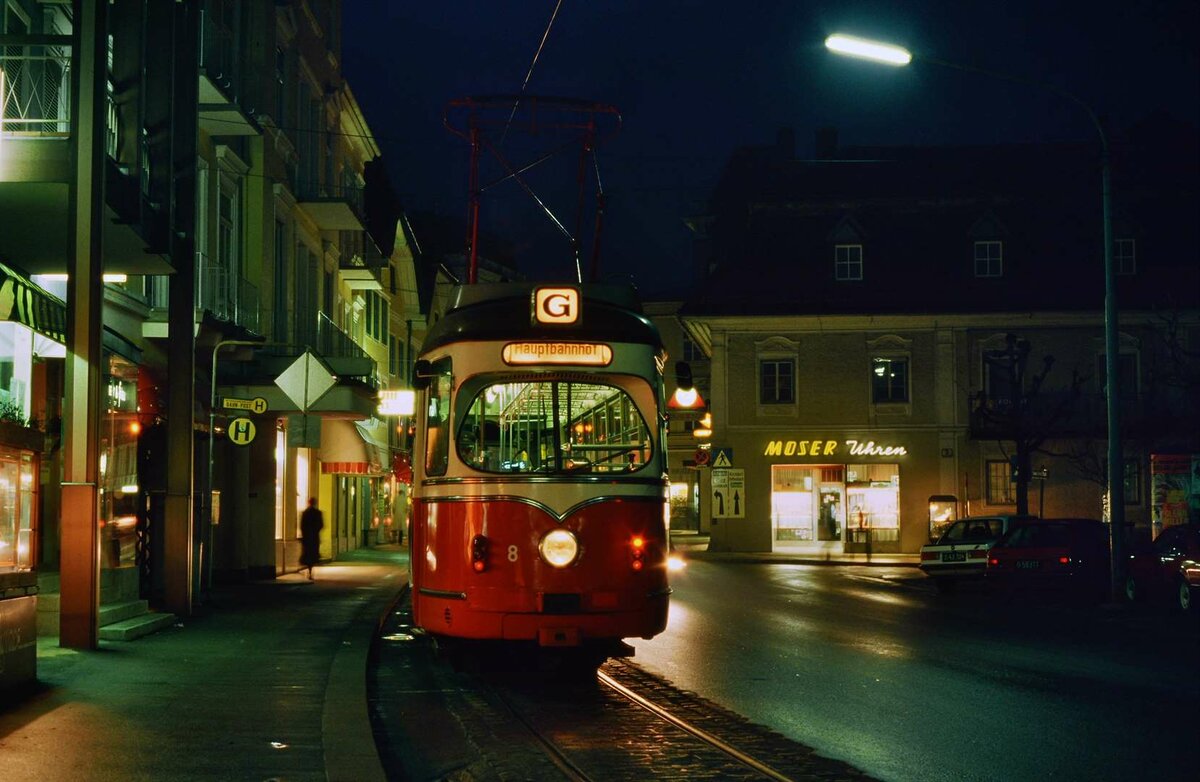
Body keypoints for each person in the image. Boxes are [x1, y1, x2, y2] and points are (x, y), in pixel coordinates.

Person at [299, 497, 324, 581]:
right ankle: (310, 570)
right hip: (314, 537)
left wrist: (305, 534)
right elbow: (321, 525)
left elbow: (302, 525)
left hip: (307, 537)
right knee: (313, 554)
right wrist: (315, 531)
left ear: (309, 503)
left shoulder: (305, 513)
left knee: (307, 553)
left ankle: (309, 569)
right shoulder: (318, 513)